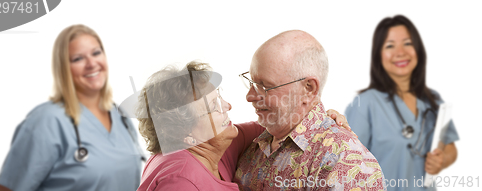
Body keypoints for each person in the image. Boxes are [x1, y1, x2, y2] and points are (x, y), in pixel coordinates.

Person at [135, 61, 351, 190]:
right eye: (214, 107)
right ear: (186, 133)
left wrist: (320, 117)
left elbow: (277, 126)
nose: (228, 106)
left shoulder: (218, 144)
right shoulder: (181, 181)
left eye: (219, 98)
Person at [0, 25, 143, 191]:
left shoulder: (120, 117)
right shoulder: (46, 121)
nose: (91, 63)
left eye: (96, 53)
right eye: (78, 59)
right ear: (64, 68)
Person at [234, 30, 386, 190]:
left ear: (309, 89)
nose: (249, 96)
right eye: (251, 82)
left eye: (265, 86)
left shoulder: (344, 160)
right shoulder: (253, 146)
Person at [344, 15, 459, 191]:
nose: (401, 52)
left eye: (408, 43)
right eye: (390, 45)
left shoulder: (432, 101)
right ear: (378, 54)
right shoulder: (365, 104)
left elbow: (450, 146)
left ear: (418, 49)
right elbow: (347, 164)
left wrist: (442, 159)